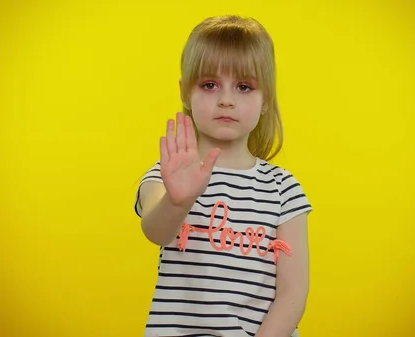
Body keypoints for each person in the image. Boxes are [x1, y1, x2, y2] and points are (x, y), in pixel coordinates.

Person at [134, 14, 312, 337]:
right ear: (185, 93)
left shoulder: (284, 190)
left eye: (244, 86)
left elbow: (293, 293)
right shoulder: (166, 173)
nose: (226, 99)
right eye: (209, 84)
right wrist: (178, 201)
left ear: (265, 101)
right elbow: (155, 230)